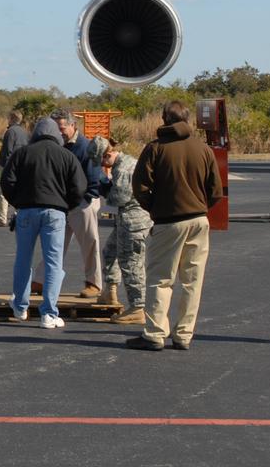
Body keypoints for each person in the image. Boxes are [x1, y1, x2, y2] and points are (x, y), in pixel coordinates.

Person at [126, 101, 223, 351]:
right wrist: (200, 206)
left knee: (160, 279)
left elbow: (140, 187)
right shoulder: (203, 149)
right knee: (193, 280)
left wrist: (155, 208)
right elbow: (216, 191)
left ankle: (155, 333)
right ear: (188, 119)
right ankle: (184, 334)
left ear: (163, 119)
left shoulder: (155, 148)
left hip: (169, 222)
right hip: (199, 220)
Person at [0, 117, 88, 329]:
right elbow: (80, 187)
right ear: (56, 134)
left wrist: (18, 203)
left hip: (26, 212)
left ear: (35, 133)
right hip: (55, 213)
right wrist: (65, 206)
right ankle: (49, 314)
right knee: (53, 263)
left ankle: (20, 307)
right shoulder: (66, 156)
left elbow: (7, 182)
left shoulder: (22, 153)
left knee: (23, 259)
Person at [34, 109, 106, 298]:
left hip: (83, 203)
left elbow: (93, 179)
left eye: (62, 128)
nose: (59, 132)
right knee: (55, 243)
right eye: (55, 128)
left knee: (90, 243)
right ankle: (41, 280)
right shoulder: (56, 145)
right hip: (61, 204)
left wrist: (83, 201)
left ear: (74, 126)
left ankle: (94, 283)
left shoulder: (85, 146)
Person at [95, 135, 150, 324]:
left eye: (101, 160)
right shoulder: (120, 165)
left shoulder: (125, 168)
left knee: (131, 262)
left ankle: (137, 308)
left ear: (108, 154)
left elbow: (119, 198)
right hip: (126, 218)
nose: (102, 165)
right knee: (110, 251)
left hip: (133, 220)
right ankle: (110, 291)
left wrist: (104, 187)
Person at [0, 110, 29, 227]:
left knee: (3, 191)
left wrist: (4, 165)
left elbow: (8, 151)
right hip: (21, 165)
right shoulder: (24, 132)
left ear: (11, 118)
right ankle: (18, 215)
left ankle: (2, 218)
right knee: (19, 190)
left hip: (9, 166)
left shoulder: (10, 132)